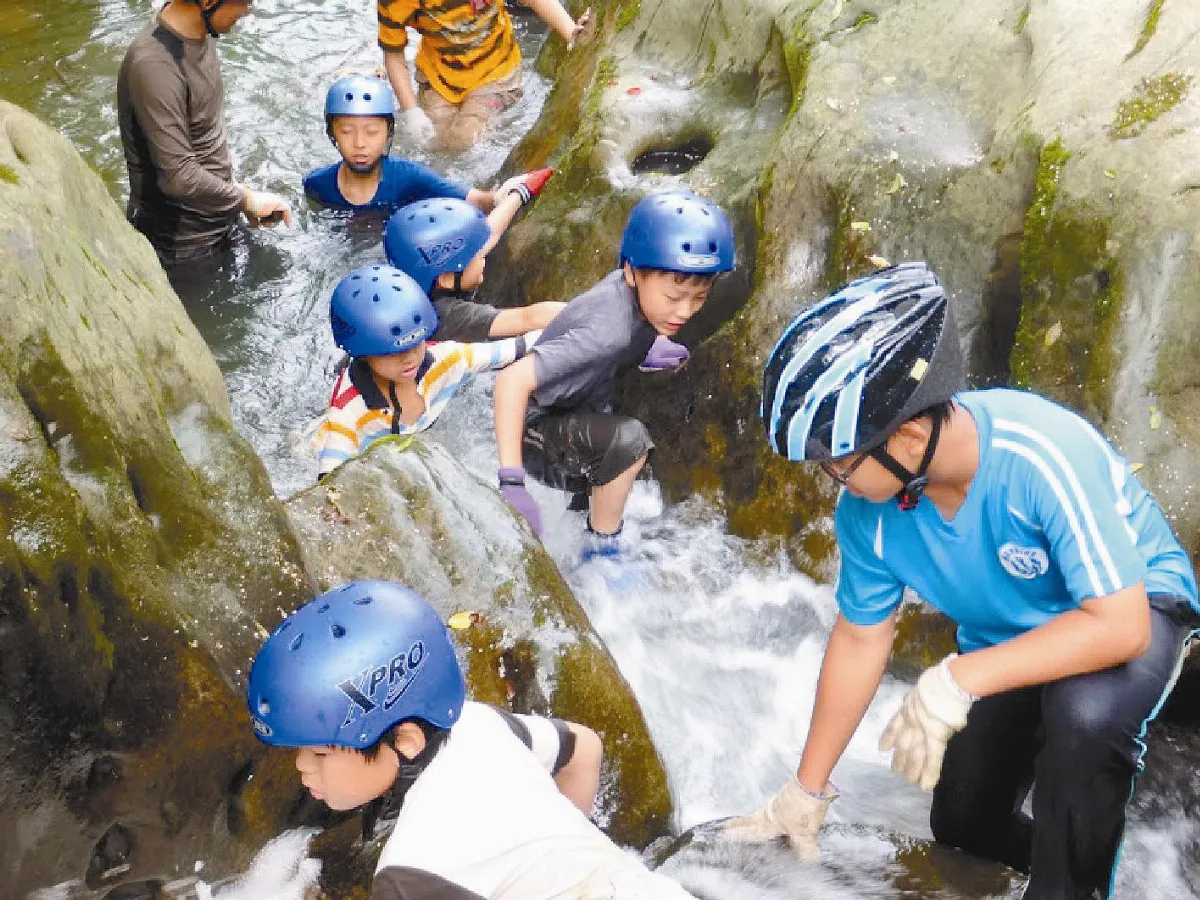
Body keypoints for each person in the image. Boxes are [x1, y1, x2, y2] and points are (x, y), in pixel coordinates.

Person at [726, 262, 1200, 900]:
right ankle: (1094, 875)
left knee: (1083, 722)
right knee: (961, 822)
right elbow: (861, 640)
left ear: (911, 434)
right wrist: (805, 793)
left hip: (1133, 606)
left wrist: (956, 678)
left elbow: (1119, 626)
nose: (832, 480)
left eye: (838, 463)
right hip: (1010, 632)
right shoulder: (869, 517)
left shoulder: (1040, 454)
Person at [247, 580, 697, 900]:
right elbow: (585, 747)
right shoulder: (481, 725)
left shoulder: (411, 872)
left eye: (321, 751)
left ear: (405, 741)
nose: (302, 767)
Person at [491, 191, 735, 559]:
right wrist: (512, 480)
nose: (685, 311)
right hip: (535, 430)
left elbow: (575, 316)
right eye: (674, 297)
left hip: (579, 406)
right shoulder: (609, 331)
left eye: (699, 298)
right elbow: (511, 381)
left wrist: (646, 345)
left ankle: (586, 524)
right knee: (629, 443)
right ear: (632, 273)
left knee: (608, 464)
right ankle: (601, 551)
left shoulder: (635, 297)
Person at [314, 264, 540, 479]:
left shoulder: (445, 360)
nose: (410, 358)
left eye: (416, 343)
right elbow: (331, 480)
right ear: (362, 353)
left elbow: (513, 348)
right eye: (394, 352)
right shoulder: (347, 411)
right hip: (321, 449)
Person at [117, 0, 291, 267]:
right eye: (244, 1)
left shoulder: (199, 34)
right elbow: (179, 178)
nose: (249, 9)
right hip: (181, 249)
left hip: (219, 216)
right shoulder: (155, 65)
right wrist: (246, 199)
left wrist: (239, 197)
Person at [378, 0, 591, 151]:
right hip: (439, 78)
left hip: (496, 73)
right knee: (433, 143)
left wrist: (571, 32)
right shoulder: (395, 2)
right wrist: (411, 111)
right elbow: (394, 54)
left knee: (465, 139)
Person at [304, 73, 499, 214]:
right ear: (332, 134)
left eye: (371, 132)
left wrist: (513, 192)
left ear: (388, 133)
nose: (359, 143)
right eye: (346, 131)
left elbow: (479, 200)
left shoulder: (409, 177)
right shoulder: (317, 186)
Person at [383, 189, 562, 341]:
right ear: (445, 279)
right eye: (477, 255)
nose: (483, 256)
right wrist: (588, 307)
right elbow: (527, 319)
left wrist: (520, 193)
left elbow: (488, 235)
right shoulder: (444, 316)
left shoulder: (417, 276)